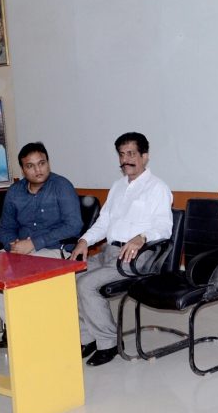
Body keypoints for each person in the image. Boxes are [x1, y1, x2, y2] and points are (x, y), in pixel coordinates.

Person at [70, 132, 172, 367]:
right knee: (69, 276)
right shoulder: (117, 186)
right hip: (109, 252)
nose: (126, 160)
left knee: (86, 284)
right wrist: (84, 241)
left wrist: (142, 237)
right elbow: (103, 222)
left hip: (136, 256)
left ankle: (109, 343)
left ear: (144, 156)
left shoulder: (157, 188)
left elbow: (164, 227)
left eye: (131, 154)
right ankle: (88, 337)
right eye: (122, 154)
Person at [0, 142, 83, 348]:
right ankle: (21, 328)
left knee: (27, 279)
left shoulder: (61, 186)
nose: (38, 170)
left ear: (48, 163)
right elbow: (5, 228)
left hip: (54, 249)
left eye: (42, 163)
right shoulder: (15, 192)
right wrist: (12, 245)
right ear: (23, 169)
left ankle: (30, 331)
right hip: (20, 250)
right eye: (30, 166)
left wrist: (33, 243)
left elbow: (74, 225)